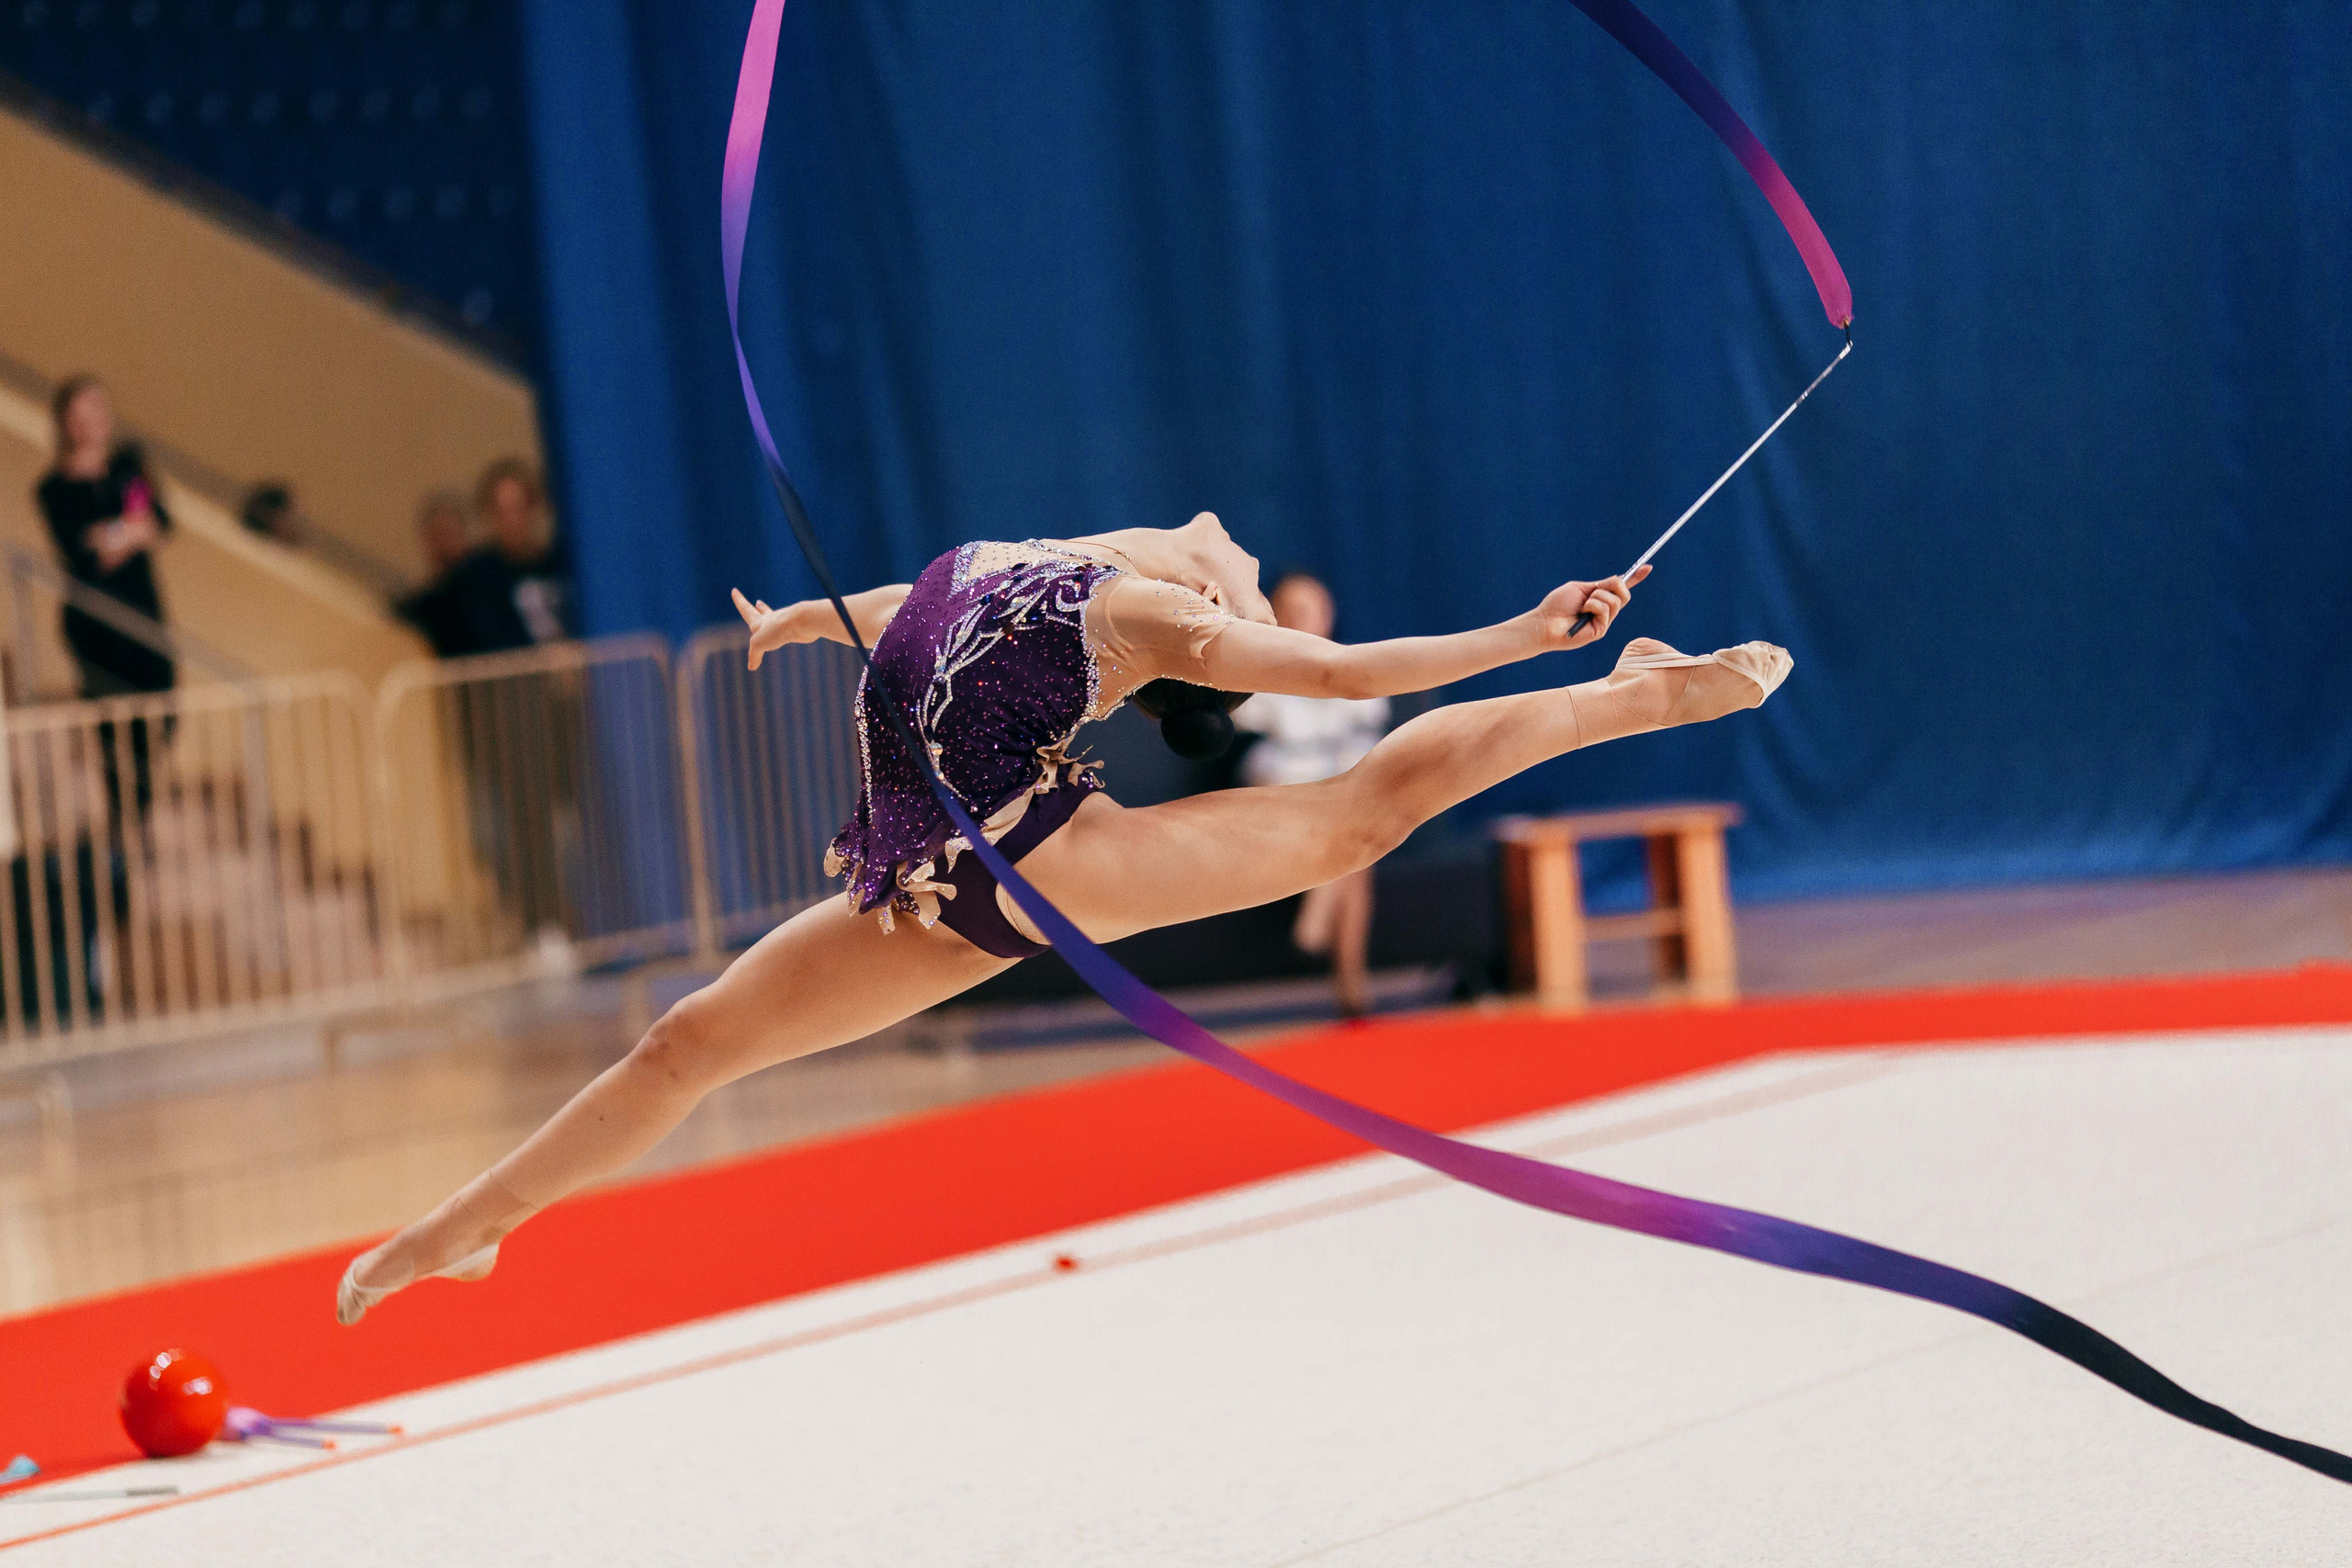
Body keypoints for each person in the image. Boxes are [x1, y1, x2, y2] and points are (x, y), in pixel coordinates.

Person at [335, 513, 1786, 1322]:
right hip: (916, 879)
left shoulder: (1155, 619)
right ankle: (466, 1228)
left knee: (1359, 813)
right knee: (681, 1041)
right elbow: (935, 599)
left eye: (1239, 578)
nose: (1236, 550)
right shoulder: (1105, 547)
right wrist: (809, 618)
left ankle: (1629, 692)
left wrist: (1522, 632)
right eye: (1228, 558)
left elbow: (1345, 675)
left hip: (1026, 864)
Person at [1232, 571, 1390, 1017]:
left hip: (1342, 785)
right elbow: (1252, 736)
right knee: (1357, 847)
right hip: (1283, 789)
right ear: (1276, 616)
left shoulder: (1356, 666)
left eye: (1316, 608)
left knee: (1356, 838)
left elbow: (1368, 736)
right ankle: (1352, 987)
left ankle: (1321, 919)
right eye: (1296, 609)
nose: (1308, 618)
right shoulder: (1254, 670)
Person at [34, 378, 175, 699]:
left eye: (98, 410)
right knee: (112, 713)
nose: (91, 423)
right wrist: (131, 530)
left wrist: (109, 534)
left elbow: (159, 522)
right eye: (81, 416)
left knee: (159, 703)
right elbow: (83, 554)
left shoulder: (127, 468)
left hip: (143, 610)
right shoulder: (55, 489)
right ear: (65, 424)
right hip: (94, 620)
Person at [446, 458, 572, 653]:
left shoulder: (561, 563)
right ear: (489, 516)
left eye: (519, 507)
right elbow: (490, 640)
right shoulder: (479, 576)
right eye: (501, 512)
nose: (512, 521)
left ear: (534, 507)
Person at [393, 490, 477, 658]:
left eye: (450, 532)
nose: (445, 543)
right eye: (439, 535)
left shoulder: (488, 588)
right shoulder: (421, 606)